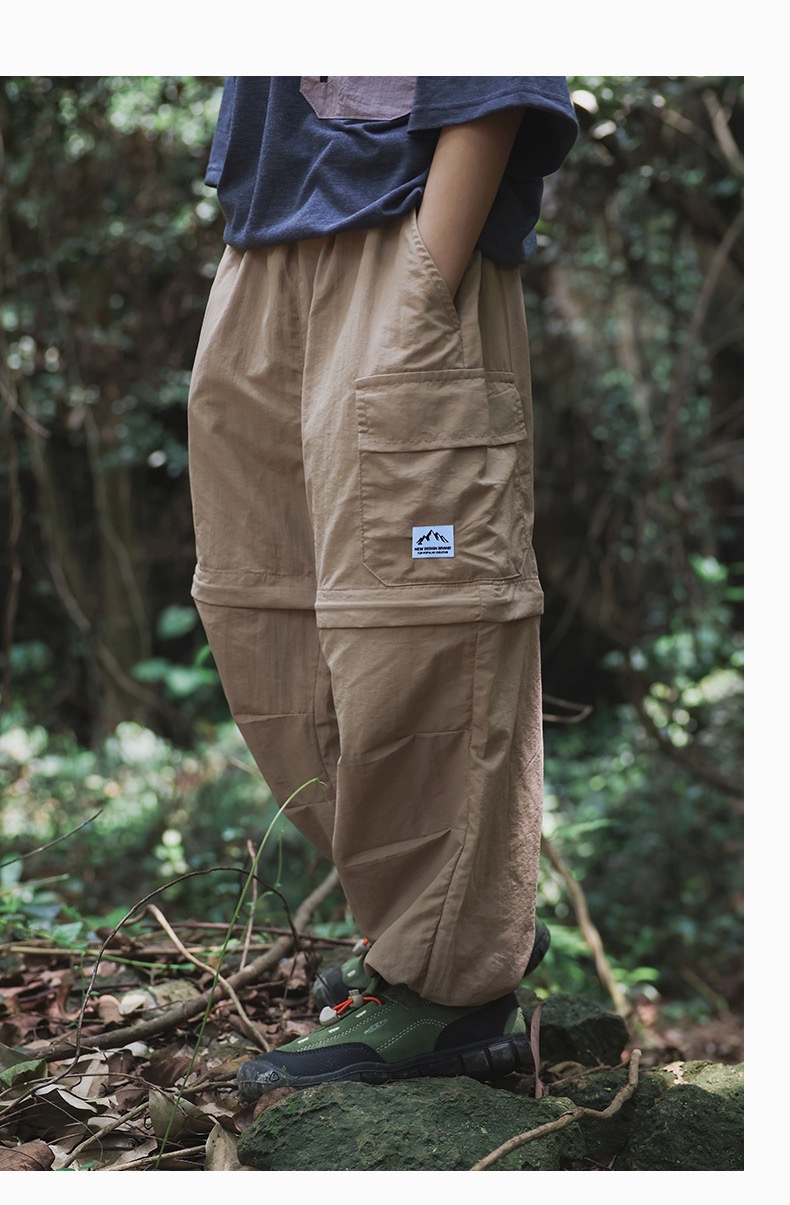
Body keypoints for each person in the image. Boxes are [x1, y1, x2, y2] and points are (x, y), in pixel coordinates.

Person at [187, 76, 578, 1101]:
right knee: (262, 606)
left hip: (403, 233)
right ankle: (431, 919)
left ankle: (451, 983)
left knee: (423, 614)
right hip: (265, 244)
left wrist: (422, 281)